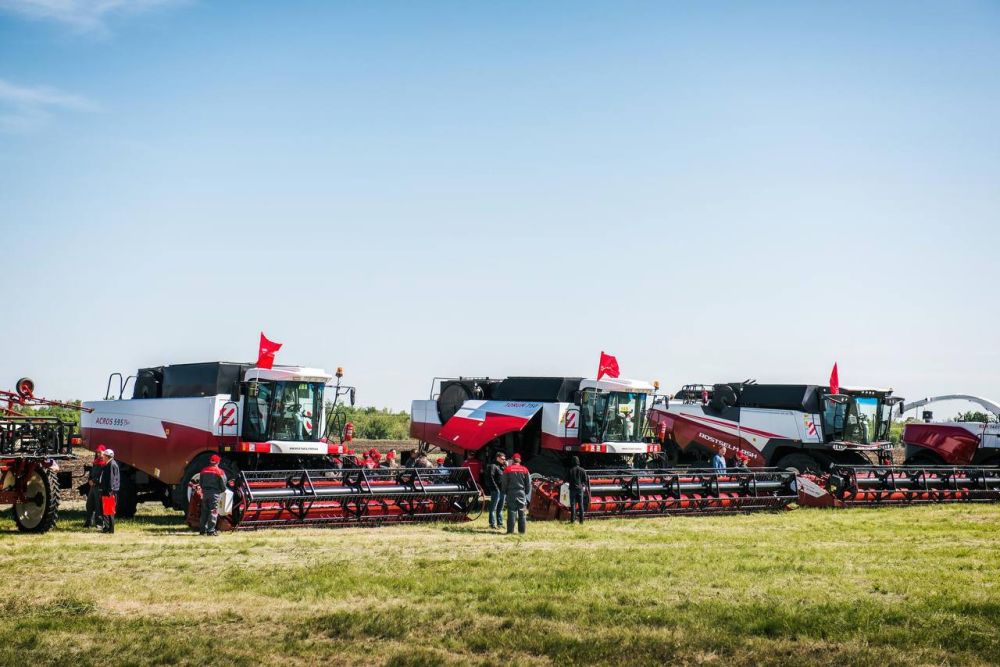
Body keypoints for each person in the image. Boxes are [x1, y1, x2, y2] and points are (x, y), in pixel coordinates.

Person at [501, 453, 532, 535]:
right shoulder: (525, 469)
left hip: (511, 493)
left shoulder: (507, 469)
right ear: (520, 460)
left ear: (512, 460)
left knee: (511, 511)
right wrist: (526, 492)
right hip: (521, 492)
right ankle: (522, 531)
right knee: (522, 513)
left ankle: (510, 531)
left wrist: (504, 491)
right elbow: (528, 483)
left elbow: (504, 482)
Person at [199, 454, 228, 536]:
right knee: (213, 512)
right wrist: (221, 491)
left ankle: (202, 530)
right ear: (218, 462)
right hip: (214, 494)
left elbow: (200, 483)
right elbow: (223, 484)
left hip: (205, 493)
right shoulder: (220, 472)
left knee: (204, 512)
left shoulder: (203, 470)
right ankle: (211, 531)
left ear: (210, 461)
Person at [99, 448, 120, 534]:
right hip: (108, 491)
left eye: (104, 455)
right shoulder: (109, 464)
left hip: (109, 492)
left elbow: (112, 479)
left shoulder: (111, 464)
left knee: (110, 510)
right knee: (107, 510)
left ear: (107, 456)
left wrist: (109, 491)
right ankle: (107, 528)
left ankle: (111, 529)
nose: (102, 457)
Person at [84, 445, 106, 528]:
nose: (98, 454)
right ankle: (88, 523)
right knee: (89, 504)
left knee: (98, 505)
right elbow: (91, 473)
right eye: (97, 452)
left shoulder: (104, 463)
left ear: (104, 452)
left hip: (99, 487)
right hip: (92, 487)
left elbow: (102, 476)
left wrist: (94, 481)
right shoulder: (95, 462)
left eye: (100, 452)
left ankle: (99, 523)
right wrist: (89, 480)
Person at [484, 452, 506, 529]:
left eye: (504, 459)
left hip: (502, 489)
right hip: (496, 490)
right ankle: (492, 524)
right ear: (497, 458)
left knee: (500, 508)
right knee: (493, 508)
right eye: (502, 459)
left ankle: (500, 523)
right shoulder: (492, 466)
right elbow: (490, 477)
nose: (504, 460)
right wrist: (495, 488)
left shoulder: (501, 467)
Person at [567, 456, 589, 524]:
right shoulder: (582, 470)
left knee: (573, 505)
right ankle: (581, 521)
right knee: (581, 505)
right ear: (578, 462)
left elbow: (567, 479)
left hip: (572, 489)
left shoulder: (571, 470)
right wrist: (582, 485)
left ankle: (572, 521)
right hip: (580, 489)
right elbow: (585, 480)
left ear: (573, 462)